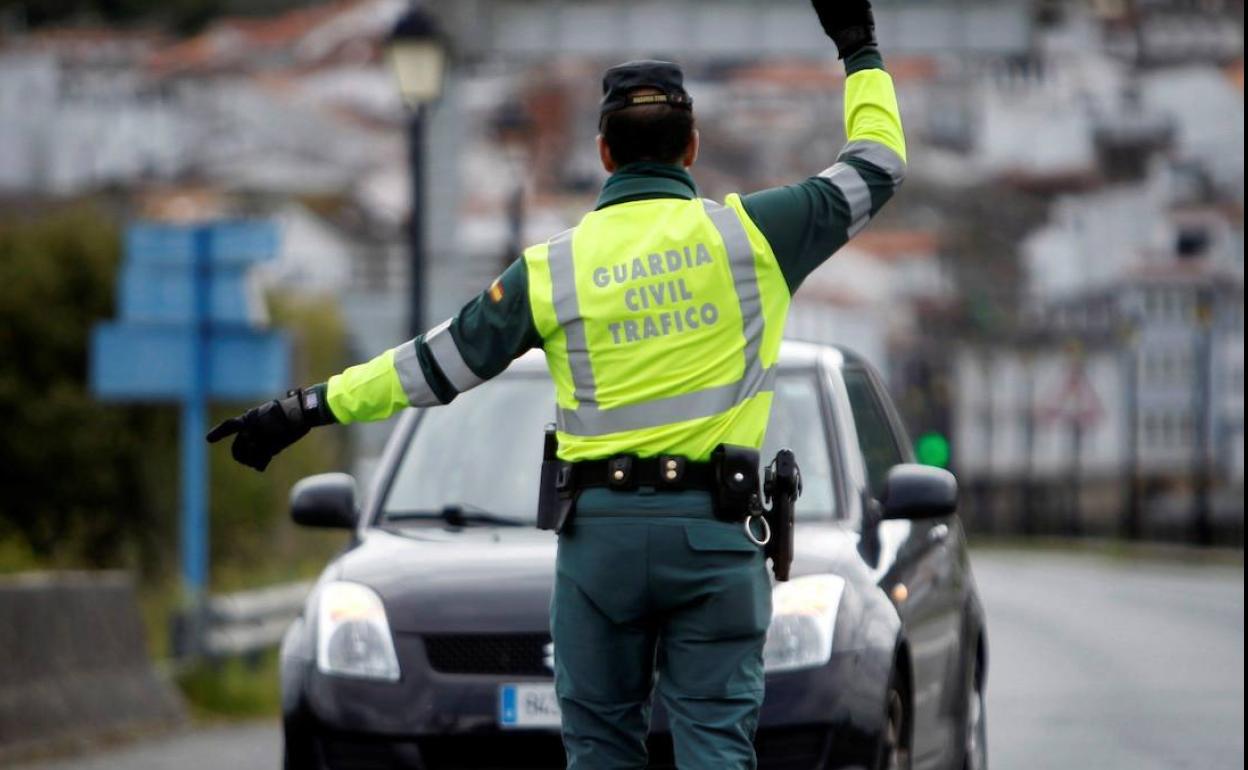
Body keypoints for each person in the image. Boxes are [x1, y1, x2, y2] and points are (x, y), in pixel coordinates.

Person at [208, 1, 904, 766]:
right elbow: (876, 166)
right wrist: (858, 49)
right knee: (715, 746)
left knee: (601, 750)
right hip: (716, 536)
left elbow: (434, 366)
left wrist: (306, 407)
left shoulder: (552, 271)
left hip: (599, 541)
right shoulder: (755, 238)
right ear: (692, 146)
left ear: (605, 153)